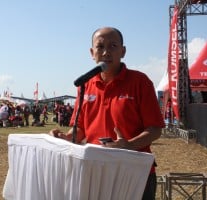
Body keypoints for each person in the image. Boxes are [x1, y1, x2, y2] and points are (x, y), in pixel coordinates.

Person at [49, 27, 165, 200]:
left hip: (135, 172)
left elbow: (155, 129)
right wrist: (66, 138)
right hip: (96, 170)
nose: (105, 52)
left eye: (113, 46)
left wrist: (129, 145)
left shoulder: (140, 82)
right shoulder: (85, 84)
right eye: (100, 47)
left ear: (123, 51)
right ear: (92, 52)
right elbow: (80, 129)